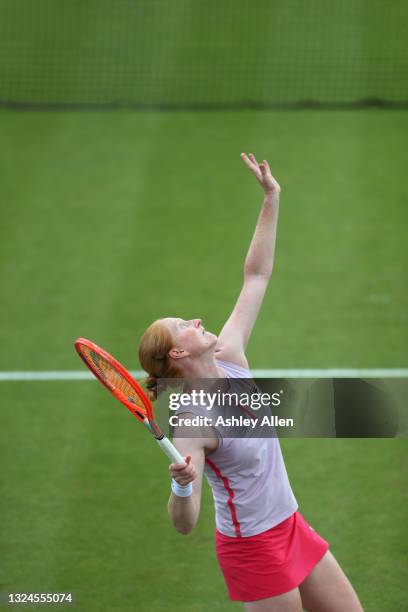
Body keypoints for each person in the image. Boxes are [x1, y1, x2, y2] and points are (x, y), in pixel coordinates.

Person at [138, 153, 363, 612]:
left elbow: (256, 275)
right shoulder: (193, 423)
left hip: (291, 525)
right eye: (185, 324)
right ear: (178, 353)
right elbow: (185, 524)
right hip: (253, 549)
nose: (197, 319)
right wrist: (181, 485)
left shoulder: (232, 357)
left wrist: (271, 198)